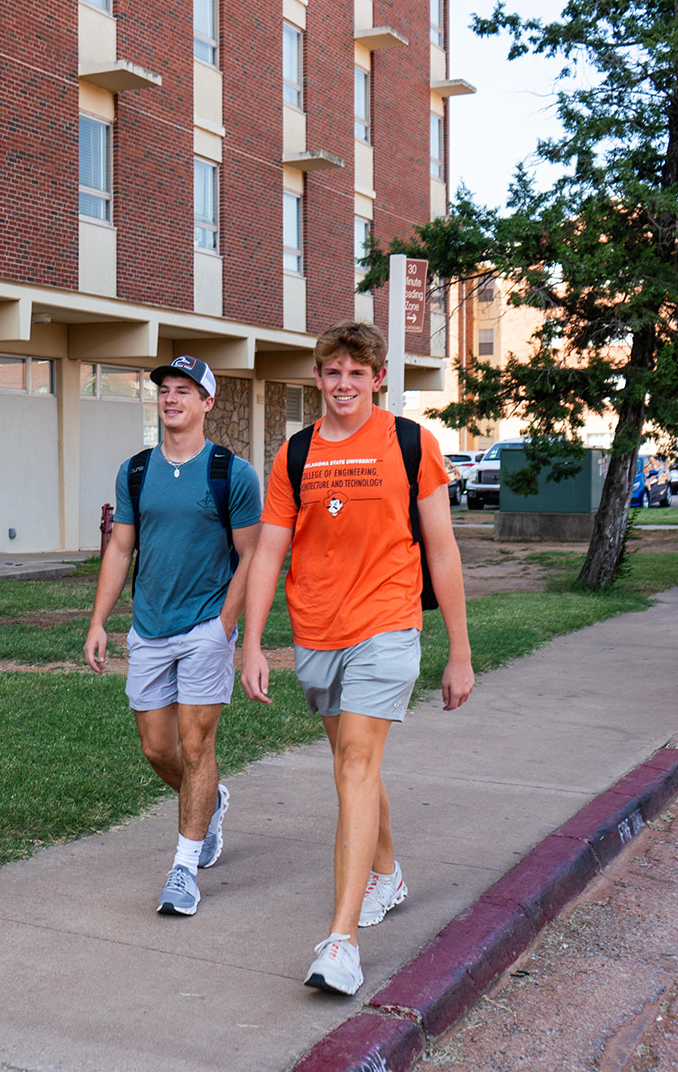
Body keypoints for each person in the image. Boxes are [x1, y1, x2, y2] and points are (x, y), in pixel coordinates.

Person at [238, 321, 475, 996]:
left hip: (387, 625)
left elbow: (443, 550)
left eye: (356, 374)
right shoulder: (294, 454)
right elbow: (268, 552)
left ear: (377, 379)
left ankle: (341, 941)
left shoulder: (409, 444)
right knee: (352, 764)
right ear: (318, 379)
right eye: (332, 373)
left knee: (356, 765)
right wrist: (254, 643)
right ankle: (388, 871)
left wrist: (458, 652)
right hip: (316, 632)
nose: (344, 385)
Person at [84, 355, 261, 917]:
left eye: (184, 390)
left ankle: (183, 869)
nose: (170, 398)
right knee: (157, 749)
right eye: (164, 389)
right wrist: (98, 621)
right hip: (149, 630)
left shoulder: (232, 473)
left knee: (195, 745)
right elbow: (119, 549)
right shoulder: (137, 471)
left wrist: (225, 628)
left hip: (205, 626)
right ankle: (209, 800)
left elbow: (253, 557)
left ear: (207, 403)